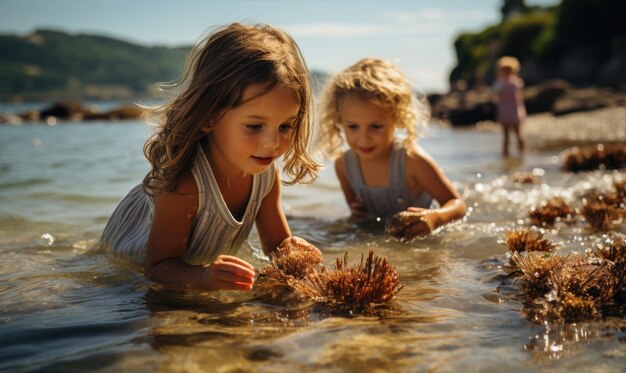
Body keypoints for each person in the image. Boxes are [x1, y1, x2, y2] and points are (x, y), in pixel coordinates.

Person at [97, 23, 321, 292]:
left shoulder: (265, 176)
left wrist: (293, 251)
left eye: (285, 126)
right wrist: (202, 278)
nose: (273, 143)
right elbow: (158, 267)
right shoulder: (184, 184)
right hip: (120, 265)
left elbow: (275, 246)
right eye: (254, 126)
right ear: (209, 117)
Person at [317, 58, 466, 240]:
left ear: (398, 118)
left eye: (376, 126)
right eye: (353, 127)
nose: (364, 138)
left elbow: (458, 205)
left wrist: (436, 218)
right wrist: (357, 214)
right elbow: (357, 214)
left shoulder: (412, 159)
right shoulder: (343, 166)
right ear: (339, 120)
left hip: (424, 239)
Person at [492, 56, 526, 157]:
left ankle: (522, 152)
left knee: (518, 133)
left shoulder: (515, 82)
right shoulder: (499, 83)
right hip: (505, 111)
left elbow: (519, 93)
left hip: (515, 110)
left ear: (513, 70)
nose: (506, 72)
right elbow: (494, 93)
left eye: (508, 70)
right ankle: (505, 154)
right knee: (506, 136)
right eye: (504, 70)